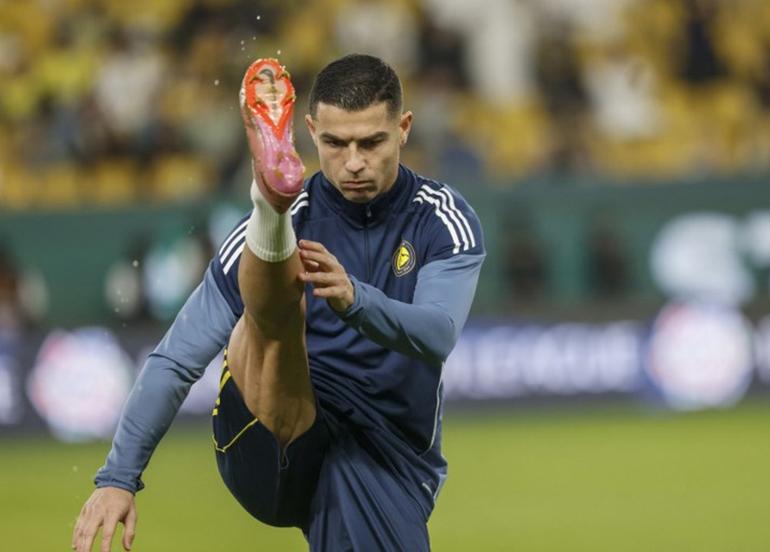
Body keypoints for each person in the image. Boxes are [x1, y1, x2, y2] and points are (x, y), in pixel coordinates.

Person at [72, 53, 485, 551]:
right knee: (278, 312)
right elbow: (176, 359)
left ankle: (272, 212)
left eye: (371, 142)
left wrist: (355, 299)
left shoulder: (442, 220)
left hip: (386, 452)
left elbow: (437, 333)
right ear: (310, 131)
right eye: (334, 143)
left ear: (404, 129)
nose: (353, 161)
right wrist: (117, 477)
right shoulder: (295, 219)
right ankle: (270, 205)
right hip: (268, 425)